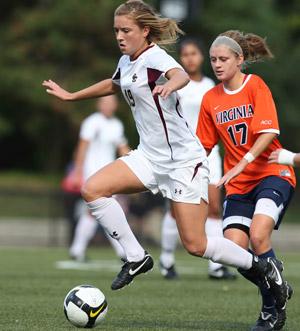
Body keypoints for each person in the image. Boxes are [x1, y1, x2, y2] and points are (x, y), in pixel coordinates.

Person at [42, 1, 288, 319]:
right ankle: (135, 258)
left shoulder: (155, 57)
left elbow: (180, 74)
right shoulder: (127, 61)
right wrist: (72, 95)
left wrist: (171, 84)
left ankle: (262, 267)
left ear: (145, 31)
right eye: (117, 30)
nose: (120, 35)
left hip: (183, 162)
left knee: (196, 245)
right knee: (93, 189)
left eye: (126, 30)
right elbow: (114, 82)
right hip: (149, 157)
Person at [197, 30, 295, 331]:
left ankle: (271, 310)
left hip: (272, 174)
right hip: (238, 185)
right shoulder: (210, 98)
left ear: (240, 60)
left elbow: (268, 134)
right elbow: (202, 146)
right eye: (213, 59)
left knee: (258, 235)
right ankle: (275, 279)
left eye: (223, 58)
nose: (217, 64)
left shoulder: (256, 86)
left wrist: (244, 162)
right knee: (234, 250)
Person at [159, 37, 236, 280]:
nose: (189, 58)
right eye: (185, 54)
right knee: (176, 211)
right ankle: (167, 259)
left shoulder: (212, 86)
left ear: (202, 57)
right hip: (181, 155)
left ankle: (216, 266)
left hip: (209, 153)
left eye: (194, 53)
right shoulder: (174, 84)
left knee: (214, 207)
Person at [68, 95, 129, 262]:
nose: (108, 106)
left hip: (109, 173)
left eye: (111, 103)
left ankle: (77, 249)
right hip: (92, 173)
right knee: (106, 211)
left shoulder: (116, 125)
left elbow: (122, 148)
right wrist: (78, 172)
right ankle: (123, 251)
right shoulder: (92, 122)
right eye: (105, 102)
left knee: (98, 213)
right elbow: (82, 148)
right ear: (99, 104)